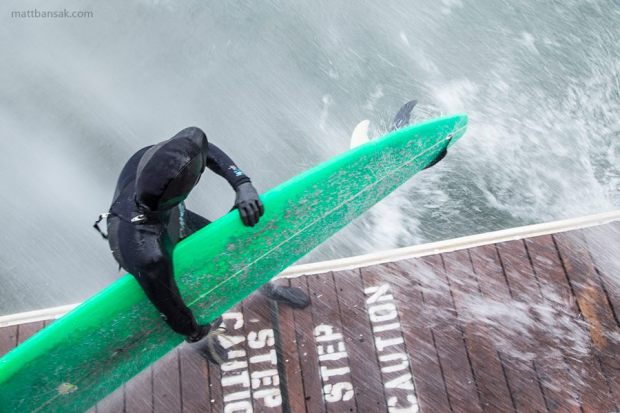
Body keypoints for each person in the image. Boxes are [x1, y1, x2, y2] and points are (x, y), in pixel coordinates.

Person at [96, 126, 310, 364]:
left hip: (170, 218)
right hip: (141, 246)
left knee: (234, 254)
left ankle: (268, 288)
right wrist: (195, 330)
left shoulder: (146, 160)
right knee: (184, 305)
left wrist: (242, 184)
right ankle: (202, 345)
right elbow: (173, 312)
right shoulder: (150, 257)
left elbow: (199, 148)